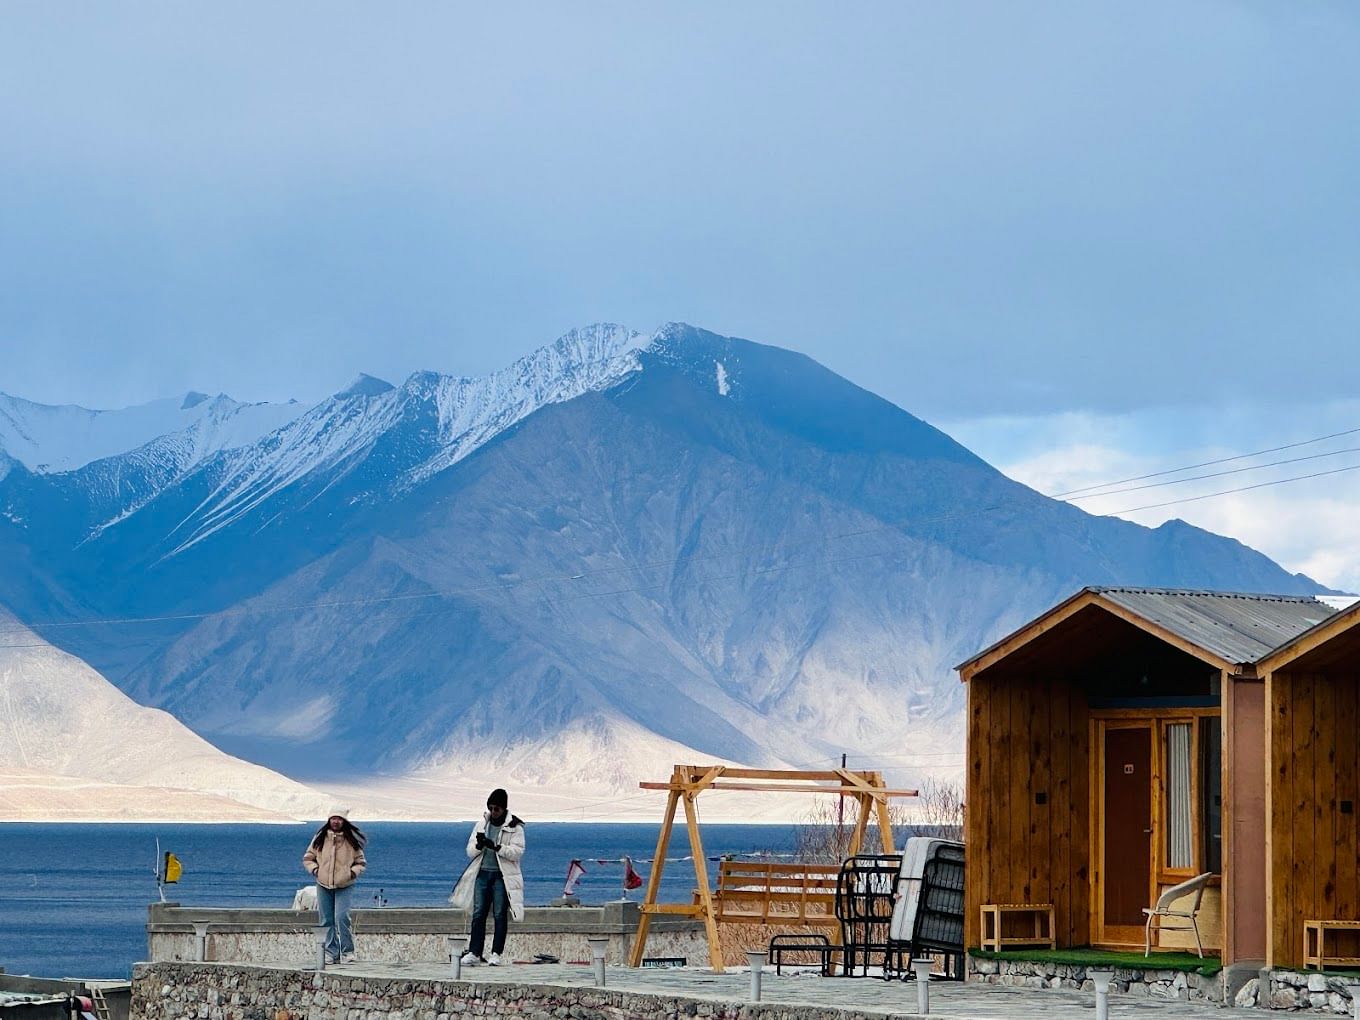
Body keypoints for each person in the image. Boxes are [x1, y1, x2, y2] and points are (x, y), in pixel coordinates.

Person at [449, 787, 526, 966]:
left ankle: (496, 953)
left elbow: (517, 852)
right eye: (490, 808)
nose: (493, 812)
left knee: (500, 914)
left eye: (496, 809)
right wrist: (480, 845)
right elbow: (469, 852)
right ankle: (475, 951)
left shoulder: (514, 828)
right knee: (478, 913)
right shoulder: (482, 824)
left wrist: (497, 847)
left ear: (504, 808)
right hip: (482, 873)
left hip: (502, 876)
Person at [302, 809, 367, 964]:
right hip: (323, 884)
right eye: (333, 819)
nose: (336, 822)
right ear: (329, 820)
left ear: (344, 821)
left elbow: (361, 862)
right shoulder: (320, 838)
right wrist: (316, 870)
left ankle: (347, 951)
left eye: (339, 819)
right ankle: (331, 952)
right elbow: (308, 858)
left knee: (341, 917)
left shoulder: (351, 841)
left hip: (344, 885)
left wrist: (352, 873)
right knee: (326, 919)